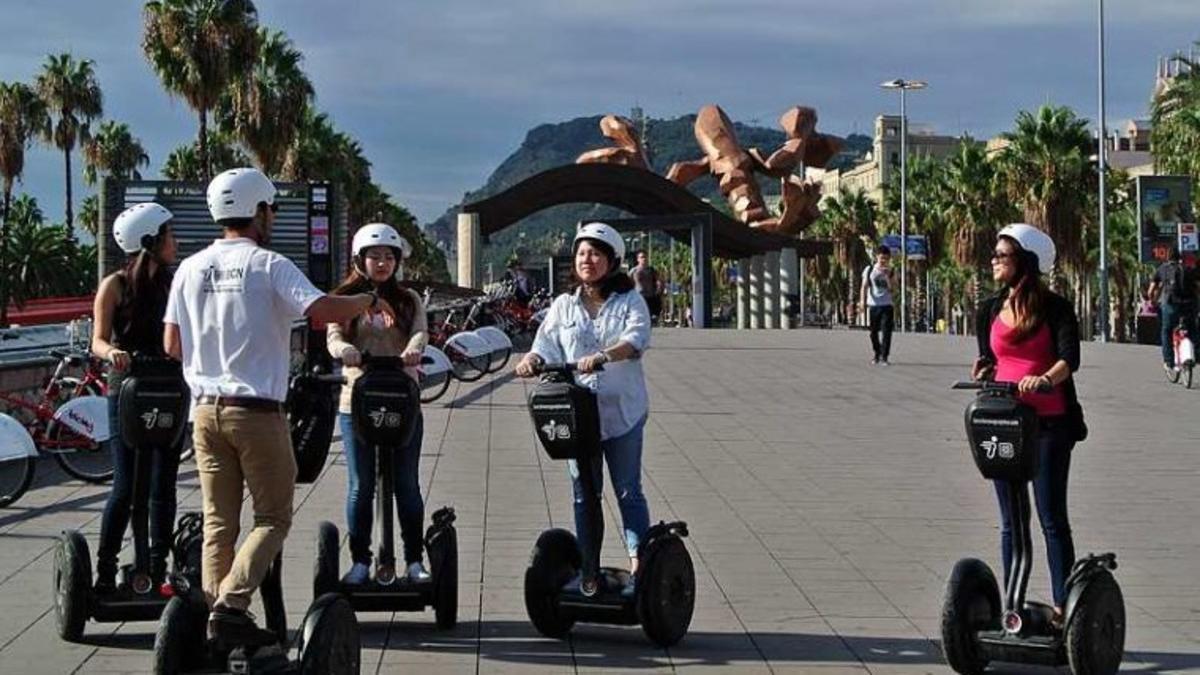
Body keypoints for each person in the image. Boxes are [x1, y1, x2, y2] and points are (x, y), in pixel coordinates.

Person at [163, 167, 389, 647]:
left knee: (218, 521)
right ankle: (231, 604)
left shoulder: (189, 268)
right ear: (260, 211)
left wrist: (213, 355)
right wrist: (366, 299)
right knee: (273, 518)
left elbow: (172, 343)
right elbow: (321, 310)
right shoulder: (268, 264)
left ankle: (212, 624)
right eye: (271, 209)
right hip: (257, 411)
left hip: (203, 411)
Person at [514, 222, 652, 597]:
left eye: (595, 253)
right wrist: (531, 360)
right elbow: (545, 345)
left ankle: (640, 567)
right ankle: (588, 573)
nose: (587, 260)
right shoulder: (563, 305)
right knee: (584, 493)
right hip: (578, 417)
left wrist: (605, 356)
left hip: (621, 414)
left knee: (627, 490)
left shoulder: (629, 301)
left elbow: (636, 340)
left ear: (612, 260)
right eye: (581, 253)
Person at [971, 223, 1086, 629]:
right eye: (995, 255)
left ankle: (1062, 608)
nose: (994, 261)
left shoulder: (1055, 307)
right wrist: (983, 368)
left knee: (1051, 515)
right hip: (1005, 422)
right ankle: (1012, 606)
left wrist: (1045, 379)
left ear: (1026, 262)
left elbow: (1069, 358)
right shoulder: (988, 308)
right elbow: (988, 356)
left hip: (1050, 422)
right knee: (1011, 521)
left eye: (1002, 255)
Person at [326, 223, 430, 586]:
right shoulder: (346, 299)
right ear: (360, 260)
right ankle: (360, 561)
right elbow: (333, 336)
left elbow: (420, 330)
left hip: (402, 396)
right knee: (362, 485)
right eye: (375, 257)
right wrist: (346, 351)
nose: (383, 263)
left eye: (389, 257)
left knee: (407, 484)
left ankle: (414, 560)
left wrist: (413, 350)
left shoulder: (408, 299)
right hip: (356, 399)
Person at [90, 203, 181, 593]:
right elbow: (98, 338)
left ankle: (158, 566)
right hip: (126, 388)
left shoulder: (175, 282)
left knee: (164, 482)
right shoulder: (115, 285)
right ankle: (105, 572)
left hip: (169, 386)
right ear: (149, 240)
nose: (174, 243)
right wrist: (112, 353)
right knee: (126, 486)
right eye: (168, 235)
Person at [1148, 246, 1198, 375]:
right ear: (1180, 257)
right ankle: (1196, 354)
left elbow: (1151, 291)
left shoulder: (1162, 269)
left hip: (1171, 306)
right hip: (1189, 305)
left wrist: (1153, 301)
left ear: (1167, 256)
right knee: (1193, 329)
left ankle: (1169, 362)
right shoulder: (1189, 270)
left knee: (1166, 330)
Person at [860, 245, 895, 365]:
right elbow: (864, 287)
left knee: (886, 332)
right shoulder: (869, 270)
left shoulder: (892, 271)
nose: (883, 261)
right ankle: (877, 353)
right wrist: (862, 303)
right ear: (876, 257)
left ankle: (884, 357)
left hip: (887, 305)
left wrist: (887, 277)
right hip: (874, 305)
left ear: (889, 258)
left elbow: (893, 290)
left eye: (886, 258)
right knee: (873, 332)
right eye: (881, 258)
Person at [629, 250, 664, 324]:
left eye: (645, 257)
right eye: (641, 257)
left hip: (650, 296)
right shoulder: (634, 271)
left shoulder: (651, 270)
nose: (644, 259)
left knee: (651, 315)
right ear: (638, 259)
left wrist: (659, 287)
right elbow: (628, 282)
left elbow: (659, 280)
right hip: (639, 296)